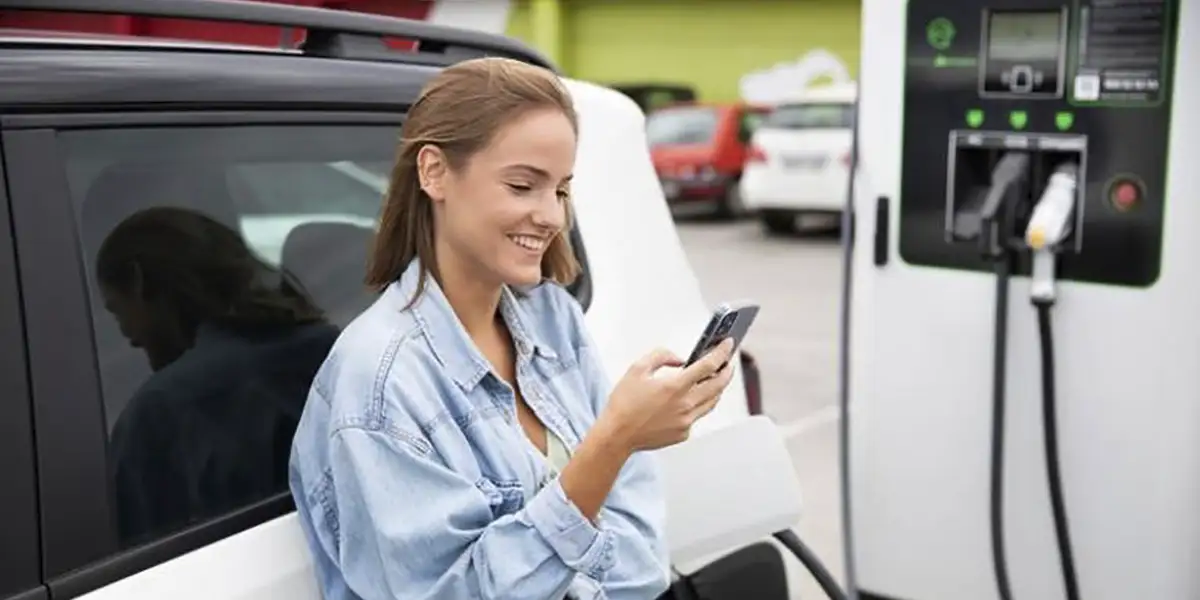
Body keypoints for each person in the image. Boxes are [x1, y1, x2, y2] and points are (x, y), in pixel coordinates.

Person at [288, 57, 737, 600]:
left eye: (562, 191)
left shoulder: (552, 318)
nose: (551, 215)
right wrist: (615, 440)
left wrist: (617, 446)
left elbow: (641, 557)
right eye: (523, 185)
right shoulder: (380, 382)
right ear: (433, 172)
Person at [95, 206, 340, 546]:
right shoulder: (341, 354)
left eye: (117, 311)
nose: (129, 336)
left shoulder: (159, 415)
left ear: (138, 282)